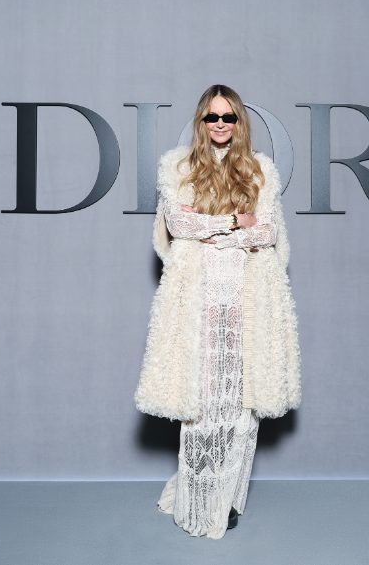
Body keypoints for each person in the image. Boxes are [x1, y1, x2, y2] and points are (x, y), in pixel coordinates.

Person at [135, 84, 301, 539]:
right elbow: (179, 224)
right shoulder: (179, 166)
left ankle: (225, 498)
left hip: (248, 301)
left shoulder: (260, 170)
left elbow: (268, 233)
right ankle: (198, 500)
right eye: (213, 117)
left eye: (229, 117)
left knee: (242, 405)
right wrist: (233, 221)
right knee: (202, 406)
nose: (221, 124)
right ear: (201, 121)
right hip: (199, 302)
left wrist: (216, 233)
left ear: (239, 122)